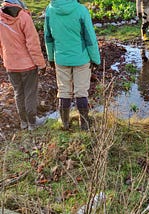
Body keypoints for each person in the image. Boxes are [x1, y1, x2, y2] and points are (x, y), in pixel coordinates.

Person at [44, 0, 101, 131]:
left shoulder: (50, 9)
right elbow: (89, 37)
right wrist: (95, 59)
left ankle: (64, 123)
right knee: (81, 92)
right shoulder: (81, 10)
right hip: (81, 58)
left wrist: (51, 58)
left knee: (63, 91)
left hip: (61, 58)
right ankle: (84, 125)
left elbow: (48, 37)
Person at [0, 0, 46, 131]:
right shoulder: (23, 17)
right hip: (27, 65)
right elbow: (33, 44)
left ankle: (23, 122)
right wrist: (41, 64)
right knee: (30, 93)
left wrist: (6, 59)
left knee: (18, 93)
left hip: (10, 64)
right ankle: (32, 123)